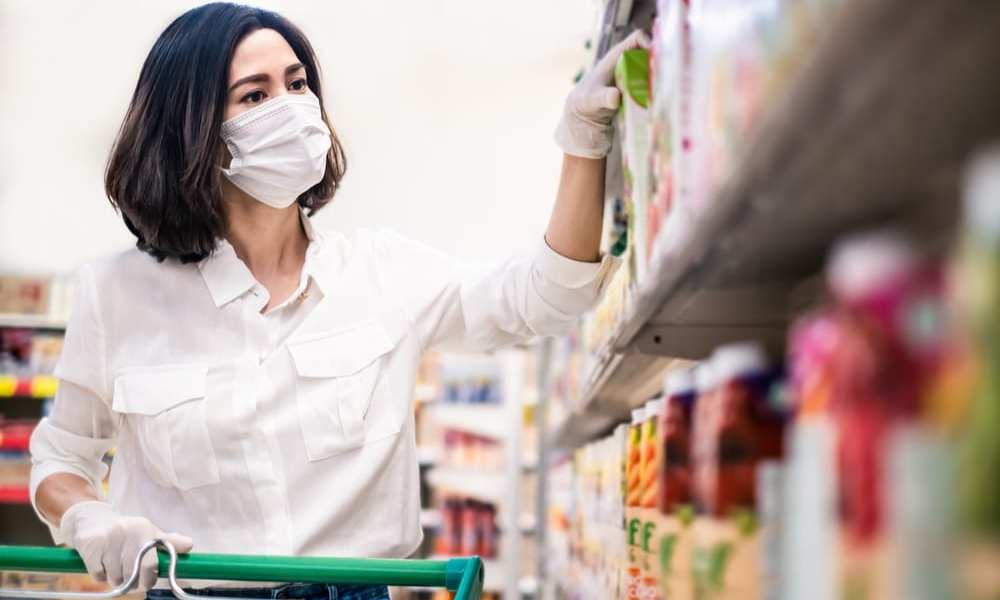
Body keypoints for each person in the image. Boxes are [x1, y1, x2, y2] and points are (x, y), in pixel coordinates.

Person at [28, 3, 649, 599]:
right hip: (194, 593)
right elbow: (62, 455)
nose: (295, 109)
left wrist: (582, 140)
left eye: (298, 85)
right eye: (255, 94)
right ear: (192, 131)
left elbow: (548, 297)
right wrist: (87, 517)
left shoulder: (382, 273)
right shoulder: (116, 294)